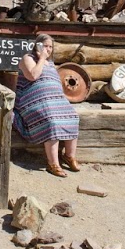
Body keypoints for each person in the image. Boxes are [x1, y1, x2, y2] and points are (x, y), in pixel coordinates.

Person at [13, 33, 79, 177]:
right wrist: (42, 58)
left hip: (53, 100)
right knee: (52, 121)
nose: (48, 49)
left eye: (50, 47)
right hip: (30, 101)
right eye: (45, 46)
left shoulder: (51, 64)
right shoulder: (27, 58)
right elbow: (33, 76)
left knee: (73, 117)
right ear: (37, 45)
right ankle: (53, 163)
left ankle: (69, 156)